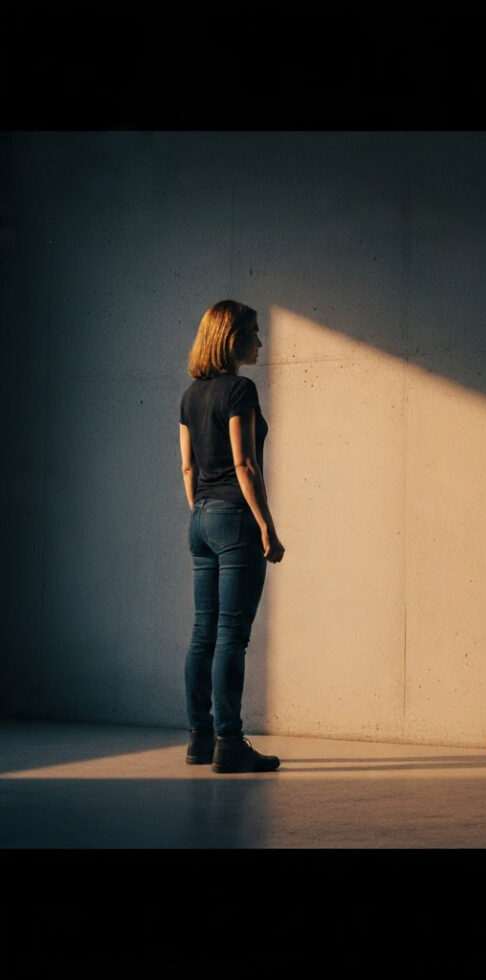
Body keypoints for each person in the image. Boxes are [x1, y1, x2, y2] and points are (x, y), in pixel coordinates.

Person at [179, 300, 286, 773]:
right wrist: (266, 524)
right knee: (230, 637)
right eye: (254, 333)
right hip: (235, 519)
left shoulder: (191, 395)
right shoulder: (240, 390)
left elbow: (187, 466)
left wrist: (200, 510)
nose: (260, 342)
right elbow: (245, 463)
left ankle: (200, 740)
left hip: (200, 517)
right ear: (232, 338)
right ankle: (229, 743)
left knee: (203, 632)